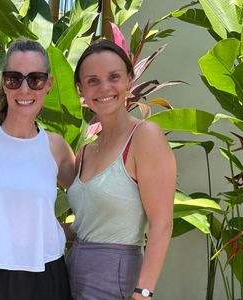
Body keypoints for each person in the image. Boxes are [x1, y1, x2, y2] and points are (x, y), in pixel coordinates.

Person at [0, 38, 75, 300]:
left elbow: (90, 200)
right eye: (14, 79)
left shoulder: (56, 147)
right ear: (4, 83)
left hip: (46, 273)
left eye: (35, 79)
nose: (24, 89)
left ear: (49, 85)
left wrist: (66, 231)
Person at [66, 39, 176, 300]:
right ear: (81, 89)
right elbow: (87, 225)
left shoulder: (144, 136)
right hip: (74, 275)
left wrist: (143, 292)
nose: (104, 87)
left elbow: (162, 224)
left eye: (113, 77)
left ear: (129, 80)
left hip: (117, 280)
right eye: (92, 81)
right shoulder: (86, 150)